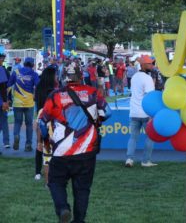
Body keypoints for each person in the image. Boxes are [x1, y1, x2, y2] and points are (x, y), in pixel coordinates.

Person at [38, 61, 111, 223]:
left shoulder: (55, 95)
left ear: (64, 77)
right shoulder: (93, 92)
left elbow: (42, 122)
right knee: (82, 190)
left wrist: (46, 141)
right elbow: (107, 113)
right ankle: (79, 220)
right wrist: (95, 120)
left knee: (55, 183)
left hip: (61, 151)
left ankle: (63, 208)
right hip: (87, 152)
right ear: (81, 76)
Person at [125, 55, 157, 168]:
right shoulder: (147, 78)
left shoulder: (134, 77)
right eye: (150, 63)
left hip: (133, 112)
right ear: (144, 65)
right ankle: (146, 161)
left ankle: (129, 159)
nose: (152, 65)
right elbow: (150, 97)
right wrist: (152, 113)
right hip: (145, 112)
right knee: (150, 137)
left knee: (133, 137)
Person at [8, 57, 39, 151]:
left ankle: (16, 136)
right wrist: (35, 96)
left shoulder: (16, 72)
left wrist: (8, 99)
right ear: (33, 64)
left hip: (17, 102)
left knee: (17, 122)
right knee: (29, 124)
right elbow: (38, 86)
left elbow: (9, 86)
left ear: (24, 63)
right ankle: (28, 145)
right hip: (29, 102)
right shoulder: (34, 74)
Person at [34, 66, 58, 181]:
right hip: (51, 120)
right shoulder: (54, 90)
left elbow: (36, 101)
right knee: (50, 146)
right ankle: (51, 172)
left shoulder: (39, 87)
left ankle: (38, 172)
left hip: (40, 118)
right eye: (55, 75)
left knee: (40, 145)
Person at [0, 50, 10, 150]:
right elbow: (2, 86)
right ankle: (6, 142)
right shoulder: (1, 69)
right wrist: (5, 101)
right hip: (0, 101)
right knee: (4, 120)